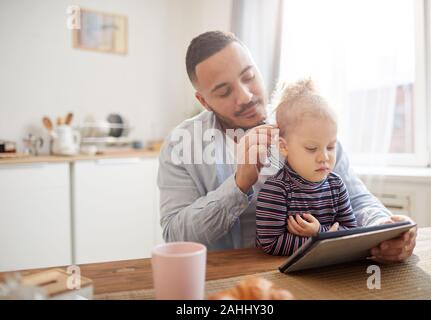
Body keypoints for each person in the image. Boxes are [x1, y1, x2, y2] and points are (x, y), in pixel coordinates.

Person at [157, 30, 417, 263]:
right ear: (204, 101)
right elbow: (176, 234)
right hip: (225, 281)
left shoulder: (304, 119)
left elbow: (356, 199)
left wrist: (384, 227)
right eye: (224, 92)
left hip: (313, 273)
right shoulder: (181, 144)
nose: (245, 96)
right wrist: (239, 185)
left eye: (249, 77)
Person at [256, 79, 357, 256]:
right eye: (312, 148)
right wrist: (321, 240)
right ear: (284, 147)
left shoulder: (336, 185)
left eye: (331, 147)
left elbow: (351, 229)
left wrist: (319, 232)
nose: (324, 157)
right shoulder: (277, 189)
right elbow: (270, 243)